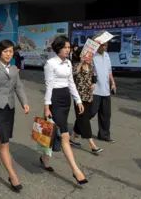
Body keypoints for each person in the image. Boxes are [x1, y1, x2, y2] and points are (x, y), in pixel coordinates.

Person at [0, 39, 29, 193]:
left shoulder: (15, 69)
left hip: (10, 109)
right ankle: (13, 176)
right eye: (5, 51)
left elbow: (18, 87)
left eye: (11, 51)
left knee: (0, 140)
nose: (9, 54)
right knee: (4, 143)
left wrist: (25, 103)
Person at [41, 36, 88, 185]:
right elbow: (48, 85)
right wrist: (47, 106)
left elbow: (71, 82)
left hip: (65, 99)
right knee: (64, 136)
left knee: (52, 132)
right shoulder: (50, 63)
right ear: (58, 48)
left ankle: (44, 158)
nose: (68, 50)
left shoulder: (68, 63)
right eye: (65, 47)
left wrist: (78, 100)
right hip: (54, 99)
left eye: (69, 47)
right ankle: (76, 171)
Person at [69, 48, 103, 155]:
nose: (88, 57)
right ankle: (92, 145)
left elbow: (93, 77)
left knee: (83, 117)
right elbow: (74, 73)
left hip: (88, 96)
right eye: (86, 55)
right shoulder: (75, 65)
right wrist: (81, 62)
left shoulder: (90, 66)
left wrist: (94, 84)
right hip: (79, 97)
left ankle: (72, 137)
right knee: (84, 119)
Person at [91, 42, 116, 143]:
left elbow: (109, 71)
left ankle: (104, 135)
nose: (104, 47)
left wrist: (113, 82)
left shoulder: (107, 55)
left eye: (106, 45)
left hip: (106, 90)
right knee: (91, 112)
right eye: (102, 45)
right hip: (96, 89)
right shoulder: (92, 55)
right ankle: (78, 129)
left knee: (106, 114)